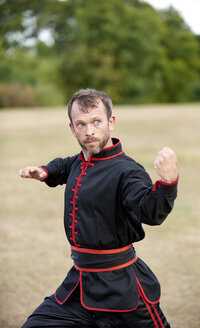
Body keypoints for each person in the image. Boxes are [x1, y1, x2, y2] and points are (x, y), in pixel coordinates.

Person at [19, 88, 179, 328]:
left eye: (96, 121)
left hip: (123, 290)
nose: (89, 131)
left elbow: (151, 212)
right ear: (72, 128)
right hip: (80, 285)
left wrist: (168, 183)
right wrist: (46, 171)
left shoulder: (128, 171)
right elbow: (64, 166)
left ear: (110, 122)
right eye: (80, 124)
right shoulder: (79, 161)